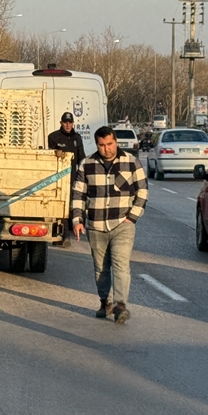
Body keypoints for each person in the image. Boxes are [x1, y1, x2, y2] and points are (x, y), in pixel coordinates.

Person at [71, 125, 148, 324]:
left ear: (116, 142)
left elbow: (142, 192)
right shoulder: (87, 164)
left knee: (121, 265)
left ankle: (120, 305)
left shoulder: (131, 163)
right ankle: (105, 301)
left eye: (110, 144)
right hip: (96, 225)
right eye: (102, 145)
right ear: (97, 145)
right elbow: (79, 194)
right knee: (101, 268)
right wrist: (77, 220)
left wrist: (132, 217)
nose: (107, 149)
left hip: (122, 224)